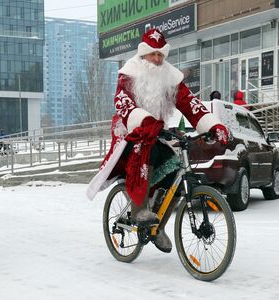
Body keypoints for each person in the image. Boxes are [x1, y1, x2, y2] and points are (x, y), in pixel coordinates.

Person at [87, 28, 228, 253]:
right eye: (153, 54)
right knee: (144, 150)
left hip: (158, 131)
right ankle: (139, 210)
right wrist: (142, 121)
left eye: (161, 54)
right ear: (143, 55)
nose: (157, 59)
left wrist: (213, 125)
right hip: (130, 132)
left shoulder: (169, 77)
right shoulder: (129, 73)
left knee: (175, 165)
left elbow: (189, 103)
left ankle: (158, 226)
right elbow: (122, 102)